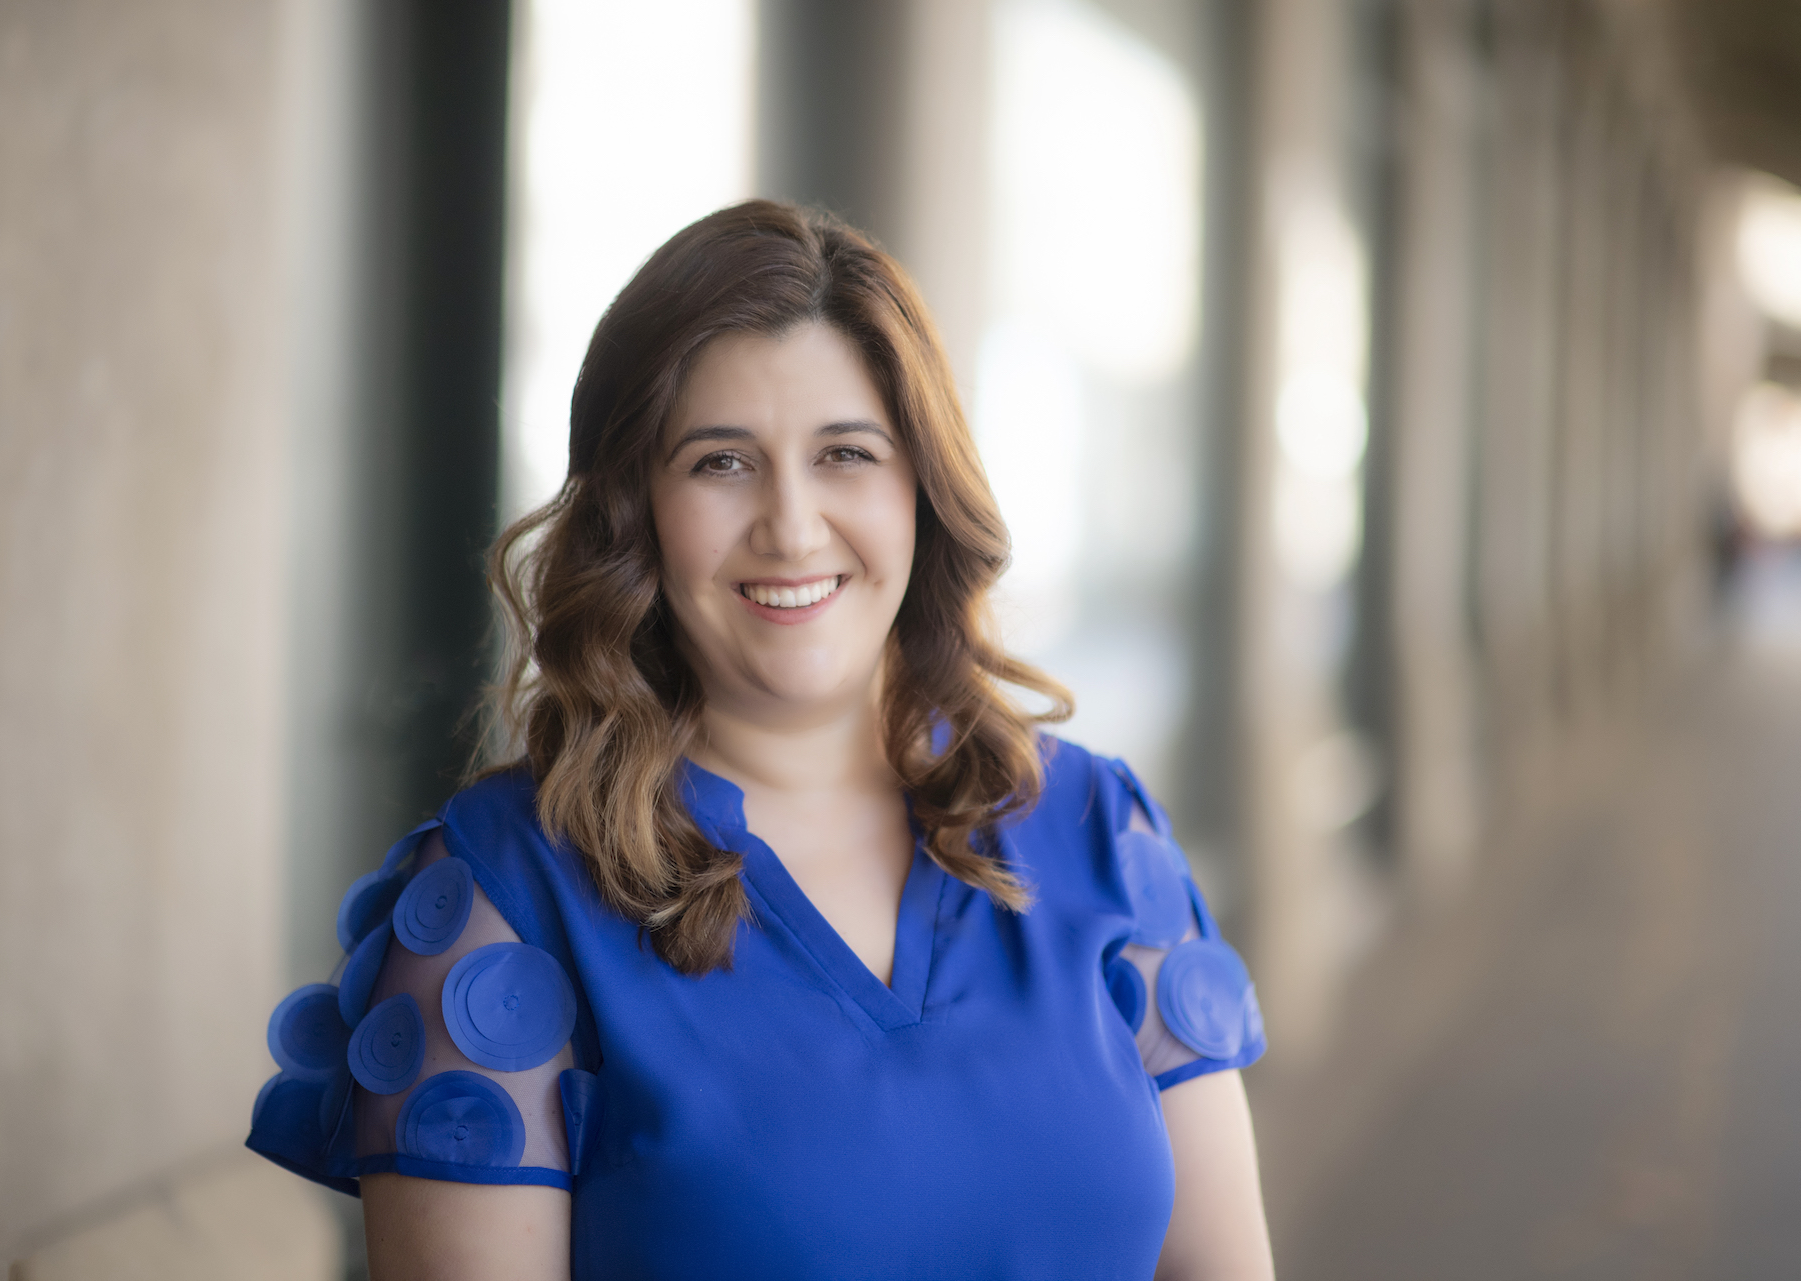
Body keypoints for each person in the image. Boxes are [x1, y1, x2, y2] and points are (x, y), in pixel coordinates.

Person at [249, 200, 1274, 1280]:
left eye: (845, 453)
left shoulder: (1095, 832)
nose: (791, 525)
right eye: (721, 463)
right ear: (633, 511)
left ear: (922, 488)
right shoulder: (504, 900)